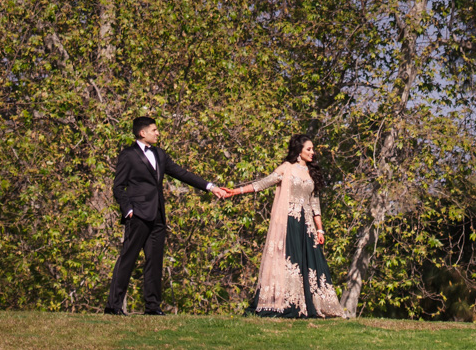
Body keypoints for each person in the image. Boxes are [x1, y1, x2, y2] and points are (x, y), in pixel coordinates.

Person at [107, 116, 227, 315]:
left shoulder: (160, 154)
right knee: (127, 259)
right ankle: (113, 306)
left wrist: (210, 187)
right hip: (137, 215)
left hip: (158, 215)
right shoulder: (128, 155)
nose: (158, 133)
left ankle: (152, 307)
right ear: (142, 133)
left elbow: (182, 173)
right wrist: (128, 210)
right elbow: (118, 186)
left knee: (155, 262)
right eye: (154, 130)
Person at [218, 134, 345, 318]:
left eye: (312, 149)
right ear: (299, 151)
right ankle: (290, 302)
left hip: (307, 224)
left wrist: (320, 229)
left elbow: (315, 203)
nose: (312, 152)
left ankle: (313, 304)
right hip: (290, 221)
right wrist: (236, 191)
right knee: (291, 261)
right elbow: (262, 183)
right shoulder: (287, 168)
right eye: (309, 149)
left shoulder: (311, 173)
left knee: (312, 263)